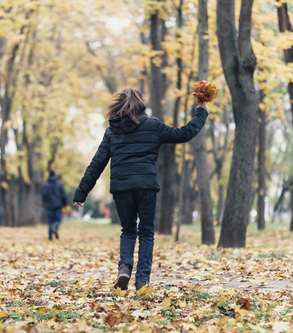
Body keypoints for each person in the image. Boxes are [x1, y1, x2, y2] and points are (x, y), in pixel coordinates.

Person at [73, 88, 208, 291]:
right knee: (146, 233)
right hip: (146, 186)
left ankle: (125, 268)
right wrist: (201, 111)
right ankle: (142, 280)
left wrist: (81, 192)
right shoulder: (153, 125)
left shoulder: (112, 131)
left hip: (122, 188)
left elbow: (97, 164)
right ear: (140, 104)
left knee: (128, 230)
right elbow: (183, 134)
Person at [42, 170, 68, 240]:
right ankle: (56, 228)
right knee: (57, 219)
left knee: (50, 220)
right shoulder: (59, 184)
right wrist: (65, 204)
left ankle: (50, 236)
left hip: (49, 205)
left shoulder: (46, 185)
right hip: (58, 205)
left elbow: (44, 196)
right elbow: (63, 195)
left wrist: (44, 202)